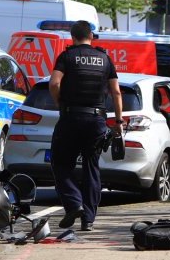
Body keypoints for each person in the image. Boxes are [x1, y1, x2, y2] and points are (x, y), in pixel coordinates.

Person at [49, 20, 123, 232]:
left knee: (61, 164)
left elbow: (54, 83)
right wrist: (118, 122)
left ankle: (74, 204)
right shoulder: (105, 58)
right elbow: (116, 92)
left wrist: (60, 103)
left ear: (72, 37)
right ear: (91, 36)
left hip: (71, 118)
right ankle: (88, 219)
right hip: (96, 121)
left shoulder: (67, 57)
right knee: (92, 168)